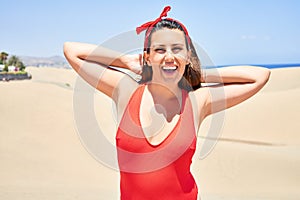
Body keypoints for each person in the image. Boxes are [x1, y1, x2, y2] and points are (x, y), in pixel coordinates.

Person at [64, 6, 270, 200]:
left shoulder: (198, 101)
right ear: (148, 56)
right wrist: (125, 61)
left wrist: (197, 75)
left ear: (188, 56)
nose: (169, 56)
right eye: (160, 50)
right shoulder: (126, 91)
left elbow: (259, 76)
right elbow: (72, 51)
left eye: (177, 49)